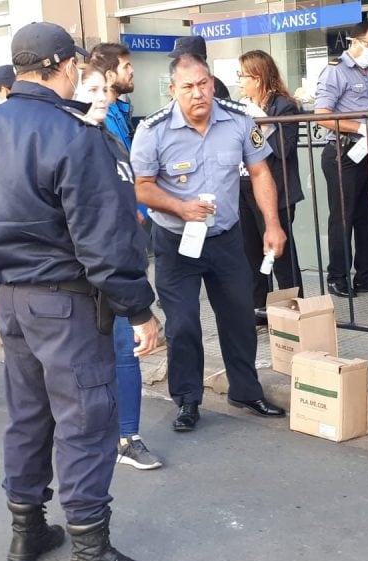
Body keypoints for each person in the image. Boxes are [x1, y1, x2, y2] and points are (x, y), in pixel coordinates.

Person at [0, 22, 159, 561]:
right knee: (86, 420)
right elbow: (105, 238)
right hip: (66, 302)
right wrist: (139, 307)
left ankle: (27, 533)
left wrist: (1, 279)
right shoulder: (74, 134)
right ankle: (91, 555)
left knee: (27, 417)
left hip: (14, 298)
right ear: (65, 64)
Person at [131, 53, 287, 432]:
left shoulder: (238, 120)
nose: (198, 93)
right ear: (173, 90)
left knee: (239, 318)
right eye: (187, 87)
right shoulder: (153, 130)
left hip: (226, 238)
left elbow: (260, 171)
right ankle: (187, 400)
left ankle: (245, 390)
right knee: (183, 324)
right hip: (174, 241)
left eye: (203, 84)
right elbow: (142, 187)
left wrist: (272, 224)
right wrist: (179, 207)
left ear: (213, 83)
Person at [88, 43, 162, 471]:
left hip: (116, 261)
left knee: (126, 347)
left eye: (103, 89)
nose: (100, 97)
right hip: (78, 273)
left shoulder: (113, 131)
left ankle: (128, 436)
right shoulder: (69, 139)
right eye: (91, 89)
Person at [314, 21, 368, 298]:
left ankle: (367, 274)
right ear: (355, 41)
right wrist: (360, 127)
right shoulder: (335, 72)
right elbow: (323, 115)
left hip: (367, 149)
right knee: (343, 218)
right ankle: (337, 276)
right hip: (343, 151)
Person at [237, 49, 304, 322]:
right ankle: (258, 310)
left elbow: (282, 149)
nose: (239, 81)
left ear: (258, 77)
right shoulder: (241, 105)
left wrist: (262, 126)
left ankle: (294, 310)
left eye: (243, 76)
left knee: (280, 254)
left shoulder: (283, 106)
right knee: (250, 253)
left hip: (275, 189)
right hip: (244, 186)